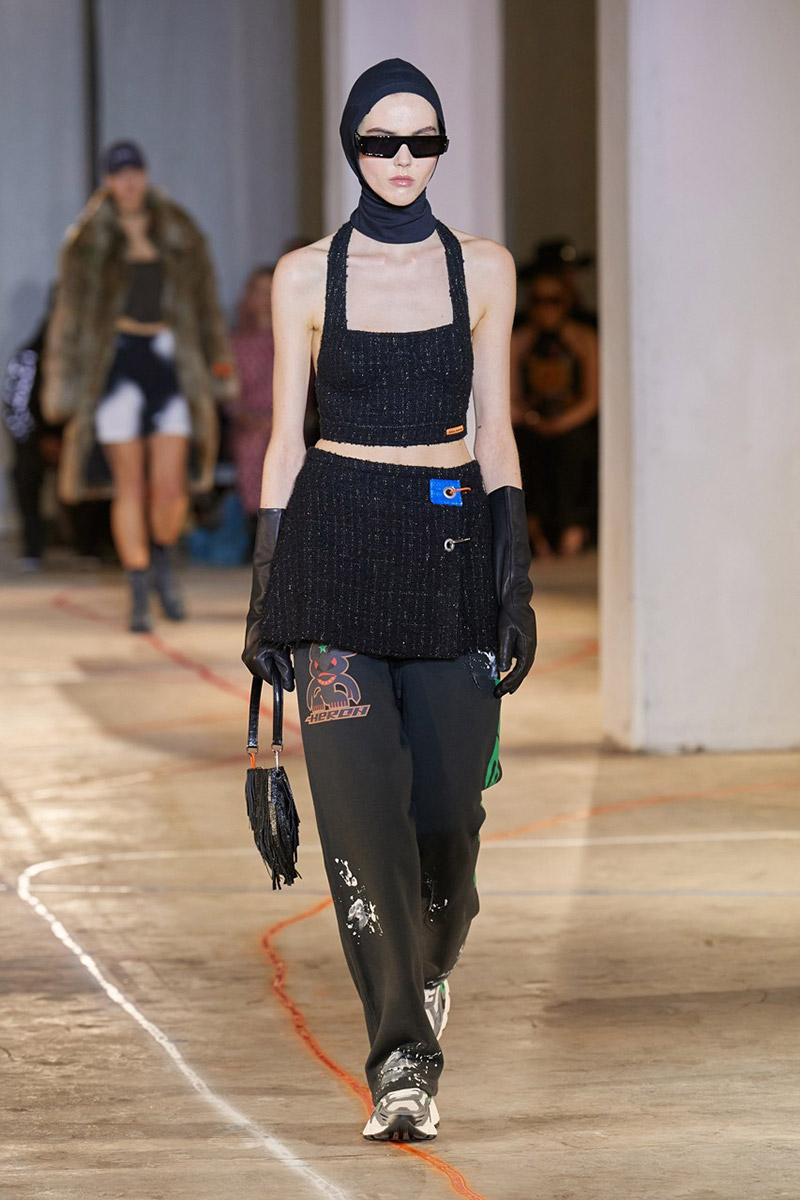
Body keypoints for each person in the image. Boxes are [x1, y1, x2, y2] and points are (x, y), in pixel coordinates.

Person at [241, 59, 537, 1143]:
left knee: (448, 830)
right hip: (335, 555)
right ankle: (401, 1062)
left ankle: (431, 964)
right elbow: (285, 442)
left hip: (449, 553)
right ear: (352, 148)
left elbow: (495, 430)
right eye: (381, 141)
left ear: (441, 150)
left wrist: (513, 577)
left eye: (423, 142)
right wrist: (267, 593)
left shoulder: (484, 270)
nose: (403, 160)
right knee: (361, 831)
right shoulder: (305, 277)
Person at [42, 139, 238, 630]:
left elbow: (206, 307)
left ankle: (163, 565)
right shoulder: (87, 241)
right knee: (128, 484)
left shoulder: (180, 232)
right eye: (118, 174)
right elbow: (69, 320)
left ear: (145, 175)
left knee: (170, 485)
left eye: (134, 172)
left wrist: (218, 364)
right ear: (107, 181)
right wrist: (64, 385)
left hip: (171, 361)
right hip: (116, 366)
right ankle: (137, 588)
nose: (128, 182)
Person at [511, 266, 599, 556]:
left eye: (554, 301)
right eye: (538, 301)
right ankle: (535, 531)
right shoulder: (519, 340)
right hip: (532, 423)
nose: (546, 309)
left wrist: (562, 422)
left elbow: (593, 398)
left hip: (573, 423)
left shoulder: (583, 339)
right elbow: (509, 397)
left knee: (575, 449)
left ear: (566, 302)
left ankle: (572, 528)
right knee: (523, 451)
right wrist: (533, 420)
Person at [2, 289, 63, 569]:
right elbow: (14, 409)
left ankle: (92, 543)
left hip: (77, 440)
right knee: (25, 470)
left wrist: (68, 440)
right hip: (34, 441)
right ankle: (33, 546)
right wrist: (39, 440)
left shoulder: (90, 357)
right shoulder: (28, 356)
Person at [229, 266, 276, 545]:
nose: (265, 298)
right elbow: (227, 393)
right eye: (258, 291)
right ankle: (256, 526)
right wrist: (248, 417)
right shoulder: (234, 342)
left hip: (287, 418)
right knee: (253, 443)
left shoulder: (294, 337)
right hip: (248, 422)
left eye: (271, 290)